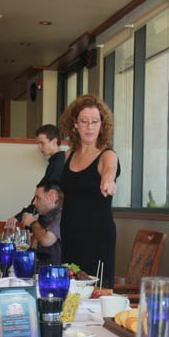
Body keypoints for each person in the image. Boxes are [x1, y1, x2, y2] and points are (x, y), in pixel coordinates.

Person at [58, 94, 120, 286]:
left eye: (95, 121)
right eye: (84, 121)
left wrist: (108, 180)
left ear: (102, 124)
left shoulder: (107, 154)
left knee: (95, 294)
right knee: (71, 291)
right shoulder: (68, 155)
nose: (89, 127)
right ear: (75, 124)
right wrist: (55, 193)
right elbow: (71, 191)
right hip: (70, 234)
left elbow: (110, 170)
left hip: (97, 237)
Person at [6, 124, 65, 229]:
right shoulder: (56, 162)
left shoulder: (58, 163)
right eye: (38, 143)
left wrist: (20, 216)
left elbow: (43, 196)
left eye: (42, 143)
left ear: (54, 141)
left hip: (52, 222)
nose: (39, 147)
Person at [20, 180, 62, 265]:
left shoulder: (62, 213)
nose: (34, 203)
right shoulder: (46, 215)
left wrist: (33, 222)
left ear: (52, 196)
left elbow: (46, 240)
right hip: (42, 266)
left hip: (56, 272)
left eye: (37, 198)